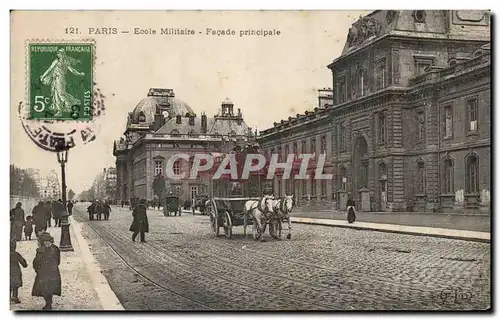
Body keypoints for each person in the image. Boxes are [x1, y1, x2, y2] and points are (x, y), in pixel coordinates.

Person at [32, 232, 61, 310]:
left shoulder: (40, 251)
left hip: (43, 272)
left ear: (43, 242)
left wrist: (37, 270)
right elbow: (58, 261)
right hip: (54, 272)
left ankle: (48, 304)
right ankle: (49, 303)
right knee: (50, 288)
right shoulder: (56, 248)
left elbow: (36, 262)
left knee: (44, 288)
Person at [10, 239, 27, 304]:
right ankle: (15, 296)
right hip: (15, 271)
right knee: (15, 285)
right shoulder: (16, 254)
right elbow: (23, 262)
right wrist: (25, 264)